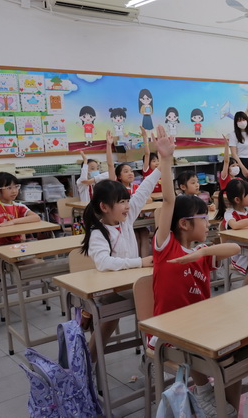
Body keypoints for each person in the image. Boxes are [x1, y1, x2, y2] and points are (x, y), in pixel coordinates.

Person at [150, 130, 240, 416]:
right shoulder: (166, 247)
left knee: (235, 353)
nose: (208, 222)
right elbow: (168, 202)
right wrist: (166, 160)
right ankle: (205, 394)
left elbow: (235, 248)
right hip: (169, 330)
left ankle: (221, 402)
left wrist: (202, 253)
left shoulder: (201, 252)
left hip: (199, 325)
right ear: (185, 224)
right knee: (216, 352)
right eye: (203, 218)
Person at [79, 126, 164, 363]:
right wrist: (139, 262)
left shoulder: (125, 220)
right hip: (110, 290)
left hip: (130, 285)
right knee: (145, 302)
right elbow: (103, 263)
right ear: (105, 207)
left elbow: (145, 188)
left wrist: (164, 162)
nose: (128, 206)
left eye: (128, 200)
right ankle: (87, 364)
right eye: (122, 202)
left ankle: (155, 351)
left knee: (158, 294)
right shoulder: (98, 232)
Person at [0, 172, 41, 278]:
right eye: (9, 188)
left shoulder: (18, 206)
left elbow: (36, 217)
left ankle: (39, 280)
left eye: (16, 186)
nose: (14, 191)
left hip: (15, 245)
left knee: (32, 262)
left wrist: (13, 221)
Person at [77, 131, 116, 201]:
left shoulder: (98, 181)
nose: (96, 171)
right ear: (84, 170)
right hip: (86, 206)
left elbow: (110, 174)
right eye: (92, 168)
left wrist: (94, 179)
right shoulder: (81, 183)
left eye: (97, 168)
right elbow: (83, 178)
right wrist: (85, 161)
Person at [142, 126, 161, 194]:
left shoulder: (159, 171)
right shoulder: (147, 171)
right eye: (154, 161)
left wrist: (159, 140)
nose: (157, 163)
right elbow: (147, 154)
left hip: (160, 196)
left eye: (157, 161)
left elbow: (160, 153)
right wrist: (145, 137)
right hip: (149, 196)